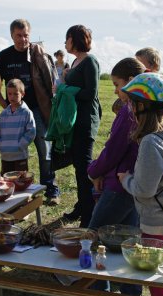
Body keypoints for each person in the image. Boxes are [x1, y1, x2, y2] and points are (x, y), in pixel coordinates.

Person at [117, 72, 163, 296]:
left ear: (144, 107)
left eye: (133, 104)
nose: (131, 109)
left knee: (158, 282)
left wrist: (125, 179)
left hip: (156, 222)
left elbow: (144, 189)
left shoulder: (149, 142)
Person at [87, 57, 145, 296]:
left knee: (93, 239)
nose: (114, 90)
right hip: (133, 187)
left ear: (131, 82)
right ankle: (130, 295)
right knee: (129, 245)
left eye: (117, 84)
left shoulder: (129, 111)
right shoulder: (142, 108)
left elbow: (113, 150)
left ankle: (99, 291)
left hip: (119, 188)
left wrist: (93, 171)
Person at [0, 19, 60, 205]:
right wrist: (4, 104)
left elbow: (51, 81)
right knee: (13, 151)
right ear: (11, 35)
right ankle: (14, 190)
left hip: (37, 109)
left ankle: (50, 189)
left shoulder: (37, 54)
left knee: (44, 150)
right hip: (15, 111)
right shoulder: (4, 57)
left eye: (26, 35)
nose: (23, 39)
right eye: (18, 35)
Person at [61, 25, 102, 227]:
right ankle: (82, 207)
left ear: (74, 39)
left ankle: (89, 216)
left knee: (84, 168)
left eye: (66, 38)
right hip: (74, 121)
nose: (65, 43)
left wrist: (65, 88)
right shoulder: (76, 61)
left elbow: (90, 94)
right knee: (78, 167)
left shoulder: (90, 62)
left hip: (86, 121)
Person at [0, 78, 36, 174]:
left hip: (20, 157)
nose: (12, 97)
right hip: (5, 157)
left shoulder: (26, 113)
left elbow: (31, 132)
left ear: (22, 94)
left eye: (15, 94)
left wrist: (20, 145)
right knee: (7, 184)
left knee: (21, 182)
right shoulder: (4, 113)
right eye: (9, 94)